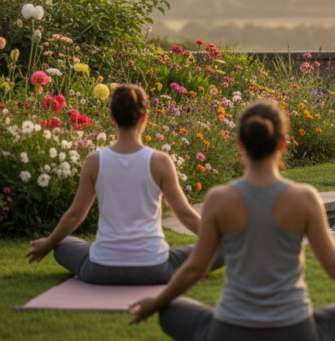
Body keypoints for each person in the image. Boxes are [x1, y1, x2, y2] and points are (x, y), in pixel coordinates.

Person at [128, 101, 335, 341]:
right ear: (282, 143)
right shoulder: (305, 198)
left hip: (227, 338)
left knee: (169, 312)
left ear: (240, 144)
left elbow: (193, 269)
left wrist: (156, 304)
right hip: (296, 338)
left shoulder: (218, 199)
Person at [26, 84, 222, 285]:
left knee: (61, 244)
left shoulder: (95, 161)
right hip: (155, 269)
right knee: (222, 248)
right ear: (145, 117)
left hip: (101, 269)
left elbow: (76, 215)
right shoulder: (160, 162)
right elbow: (186, 215)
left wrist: (49, 243)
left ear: (112, 117)